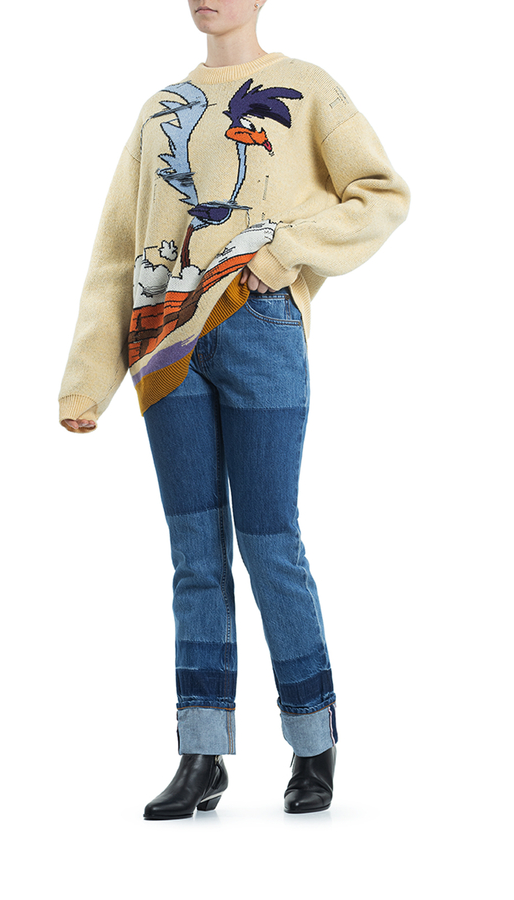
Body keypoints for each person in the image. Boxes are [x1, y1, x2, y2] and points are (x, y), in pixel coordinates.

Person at [58, 0, 410, 819]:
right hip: (163, 345)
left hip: (260, 330)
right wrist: (87, 379)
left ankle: (313, 743)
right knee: (194, 553)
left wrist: (282, 253)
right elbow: (117, 250)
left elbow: (381, 194)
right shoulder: (161, 111)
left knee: (270, 540)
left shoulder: (308, 88)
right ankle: (201, 752)